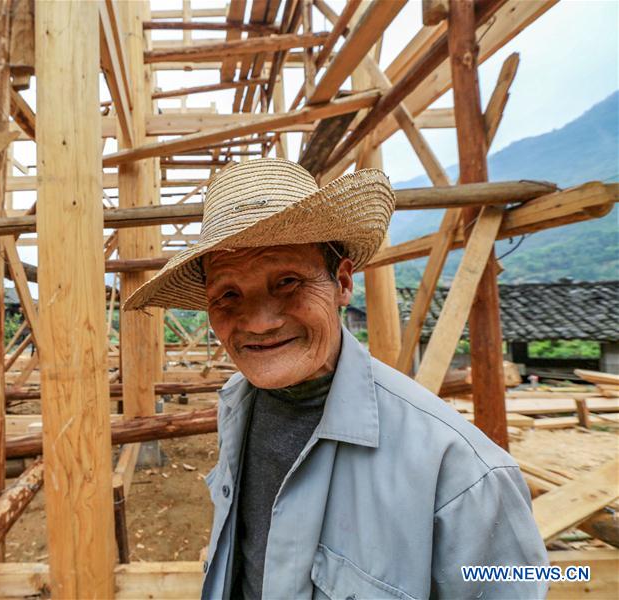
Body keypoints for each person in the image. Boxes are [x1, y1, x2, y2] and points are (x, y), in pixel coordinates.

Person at [123, 159, 548, 599]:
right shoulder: (237, 405)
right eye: (228, 294)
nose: (260, 323)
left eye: (287, 282)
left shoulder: (464, 474)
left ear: (342, 283)